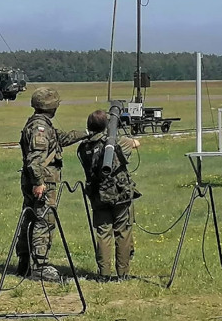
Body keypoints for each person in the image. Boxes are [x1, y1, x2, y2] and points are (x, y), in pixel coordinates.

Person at [16, 87, 87, 282]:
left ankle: (24, 262)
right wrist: (39, 183)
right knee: (43, 221)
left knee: (29, 219)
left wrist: (86, 133)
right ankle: (40, 265)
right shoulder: (40, 128)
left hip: (35, 180)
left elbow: (60, 139)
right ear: (52, 106)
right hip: (43, 181)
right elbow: (35, 159)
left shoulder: (39, 124)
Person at [78, 109, 141, 281]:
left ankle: (104, 273)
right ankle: (123, 273)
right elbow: (136, 143)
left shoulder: (84, 146)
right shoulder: (116, 142)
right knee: (122, 232)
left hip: (98, 195)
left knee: (103, 233)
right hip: (120, 194)